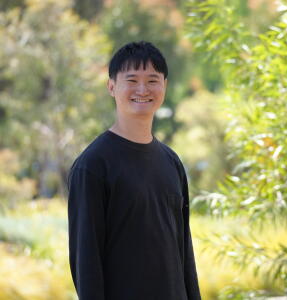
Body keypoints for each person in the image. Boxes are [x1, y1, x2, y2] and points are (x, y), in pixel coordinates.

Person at [67, 41, 201, 300]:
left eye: (152, 80)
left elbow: (184, 251)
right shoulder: (92, 166)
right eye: (132, 80)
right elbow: (86, 263)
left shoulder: (171, 162)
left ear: (165, 86)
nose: (143, 89)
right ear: (111, 86)